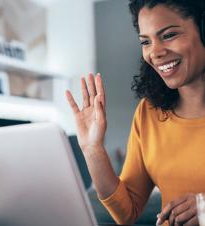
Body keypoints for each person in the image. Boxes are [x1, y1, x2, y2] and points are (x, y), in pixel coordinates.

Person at [66, 0, 205, 226]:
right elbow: (126, 212)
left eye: (169, 35)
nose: (155, 52)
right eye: (145, 41)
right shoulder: (148, 112)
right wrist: (93, 149)